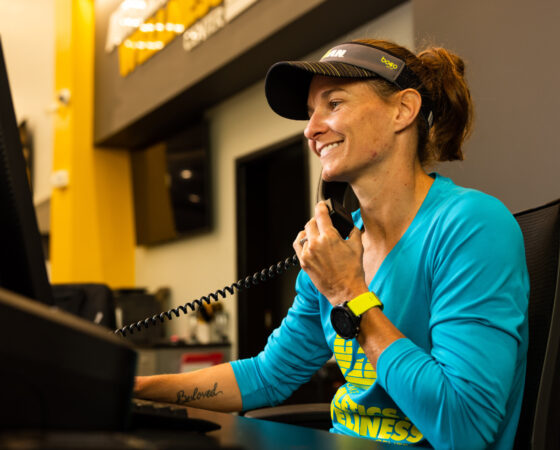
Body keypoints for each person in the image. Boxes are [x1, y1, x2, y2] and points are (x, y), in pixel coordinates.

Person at [134, 38, 529, 449]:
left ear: (403, 110)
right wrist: (134, 387)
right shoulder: (338, 245)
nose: (310, 129)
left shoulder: (471, 226)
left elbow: (464, 427)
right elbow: (267, 374)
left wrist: (350, 295)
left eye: (334, 104)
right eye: (310, 113)